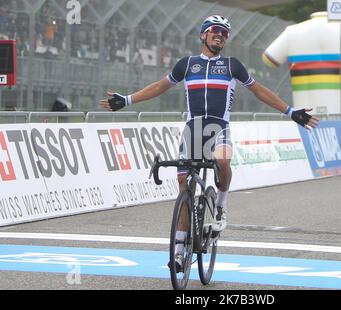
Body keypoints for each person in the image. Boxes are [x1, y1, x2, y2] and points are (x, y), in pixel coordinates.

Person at [100, 15, 319, 270]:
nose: (221, 35)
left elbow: (259, 90)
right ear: (203, 35)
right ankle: (179, 251)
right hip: (193, 130)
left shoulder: (231, 65)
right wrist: (127, 100)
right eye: (216, 30)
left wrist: (290, 111)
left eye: (225, 33)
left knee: (222, 159)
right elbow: (160, 86)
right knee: (184, 187)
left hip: (219, 128)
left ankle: (221, 205)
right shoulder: (187, 64)